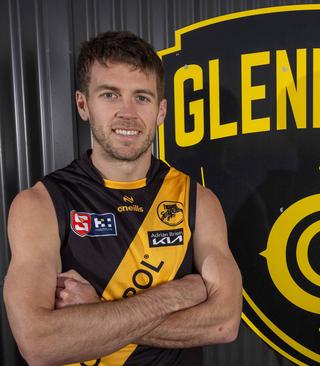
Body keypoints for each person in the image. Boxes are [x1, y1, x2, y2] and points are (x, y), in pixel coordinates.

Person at [3, 31, 242, 365]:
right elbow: (38, 343)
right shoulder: (40, 204)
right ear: (83, 104)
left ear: (160, 111)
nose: (127, 113)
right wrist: (177, 295)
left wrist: (96, 312)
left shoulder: (198, 201)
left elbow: (223, 324)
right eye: (110, 95)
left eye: (141, 98)